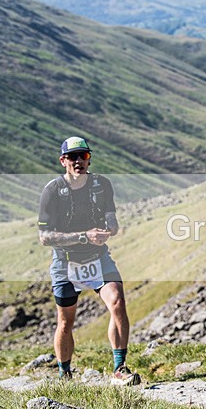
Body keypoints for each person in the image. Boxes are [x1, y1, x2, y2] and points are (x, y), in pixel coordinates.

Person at [38, 136, 141, 385]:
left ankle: (120, 367)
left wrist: (110, 229)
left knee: (117, 302)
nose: (78, 161)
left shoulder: (101, 185)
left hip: (98, 258)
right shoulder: (52, 191)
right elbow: (45, 237)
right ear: (63, 161)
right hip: (66, 262)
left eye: (83, 156)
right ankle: (64, 372)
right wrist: (85, 237)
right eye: (72, 157)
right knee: (65, 322)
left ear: (89, 159)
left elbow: (112, 219)